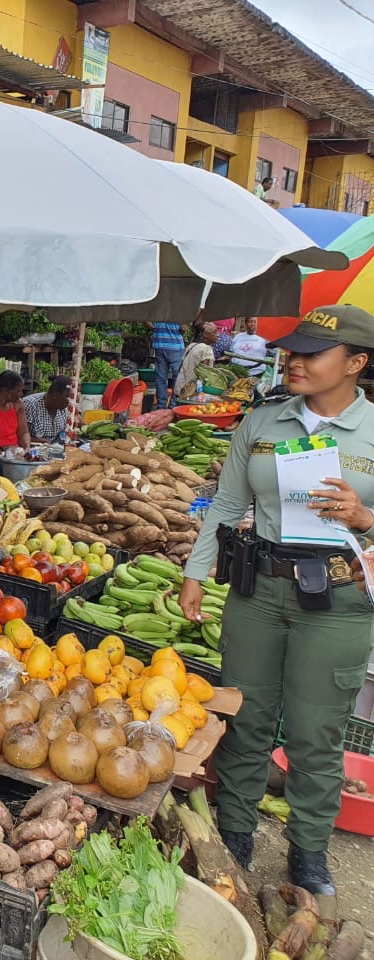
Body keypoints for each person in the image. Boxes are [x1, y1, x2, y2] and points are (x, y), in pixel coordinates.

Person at [178, 304, 374, 899]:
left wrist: (367, 517)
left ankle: (309, 848)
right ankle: (235, 831)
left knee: (318, 731)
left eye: (313, 352)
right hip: (257, 592)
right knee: (245, 718)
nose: (295, 360)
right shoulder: (262, 423)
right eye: (292, 350)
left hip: (340, 601)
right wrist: (196, 570)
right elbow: (227, 503)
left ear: (356, 363)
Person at [21, 375, 73, 442]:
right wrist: (42, 441)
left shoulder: (64, 408)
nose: (70, 401)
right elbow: (20, 435)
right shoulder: (30, 404)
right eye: (67, 396)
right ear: (55, 395)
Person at [174, 321, 218, 398]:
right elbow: (206, 374)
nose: (217, 335)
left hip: (181, 389)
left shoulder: (191, 346)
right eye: (214, 332)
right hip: (193, 393)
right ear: (205, 334)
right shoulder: (206, 349)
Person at [150, 320, 186, 408]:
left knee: (160, 378)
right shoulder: (180, 309)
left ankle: (161, 406)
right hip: (175, 346)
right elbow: (183, 328)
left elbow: (144, 318)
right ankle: (173, 405)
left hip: (159, 344)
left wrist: (155, 329)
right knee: (177, 378)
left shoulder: (158, 307)